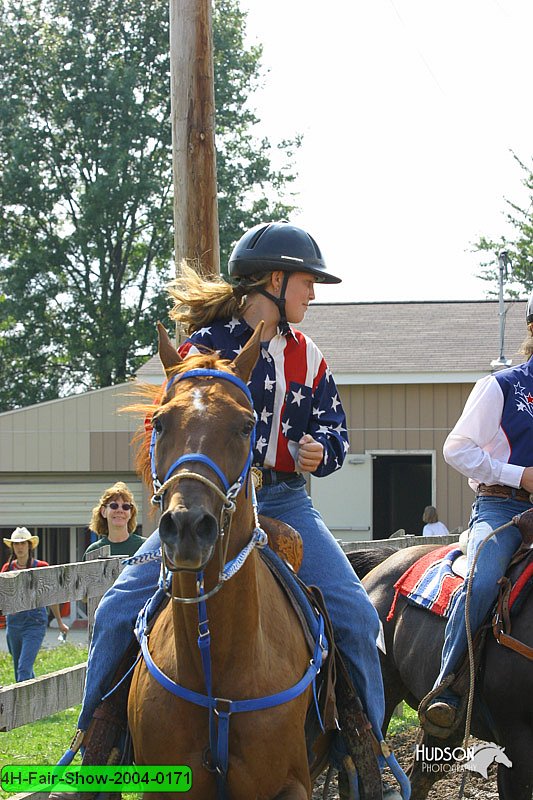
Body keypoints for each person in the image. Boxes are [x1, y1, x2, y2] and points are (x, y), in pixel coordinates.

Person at [53, 222, 403, 800]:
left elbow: (335, 431)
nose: (312, 294)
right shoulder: (201, 348)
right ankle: (95, 751)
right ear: (274, 280)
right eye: (306, 282)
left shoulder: (308, 356)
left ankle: (367, 756)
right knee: (118, 610)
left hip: (284, 501)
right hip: (206, 505)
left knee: (358, 618)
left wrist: (322, 451)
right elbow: (163, 431)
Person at [425, 290, 533, 729]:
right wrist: (519, 475)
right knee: (484, 578)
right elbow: (456, 449)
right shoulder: (503, 386)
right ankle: (448, 687)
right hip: (503, 508)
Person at [2, 527, 69, 682]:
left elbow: (51, 597)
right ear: (12, 547)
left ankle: (23, 705)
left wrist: (59, 622)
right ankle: (36, 702)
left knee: (23, 669)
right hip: (14, 623)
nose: (19, 547)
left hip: (35, 622)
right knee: (20, 667)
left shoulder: (42, 567)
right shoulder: (7, 568)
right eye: (16, 544)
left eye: (23, 543)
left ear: (29, 545)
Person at [83, 482, 145, 560]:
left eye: (125, 506)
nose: (120, 510)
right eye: (114, 506)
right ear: (103, 511)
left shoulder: (144, 547)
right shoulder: (93, 551)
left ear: (131, 513)